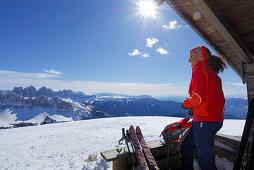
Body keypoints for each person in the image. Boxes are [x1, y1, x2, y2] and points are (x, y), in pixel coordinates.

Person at [181, 45, 227, 170]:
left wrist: (185, 104)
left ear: (199, 56)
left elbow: (198, 98)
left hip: (205, 121)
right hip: (214, 119)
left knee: (205, 161)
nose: (189, 60)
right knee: (187, 144)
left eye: (191, 56)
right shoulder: (212, 73)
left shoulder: (199, 69)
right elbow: (210, 98)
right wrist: (195, 109)